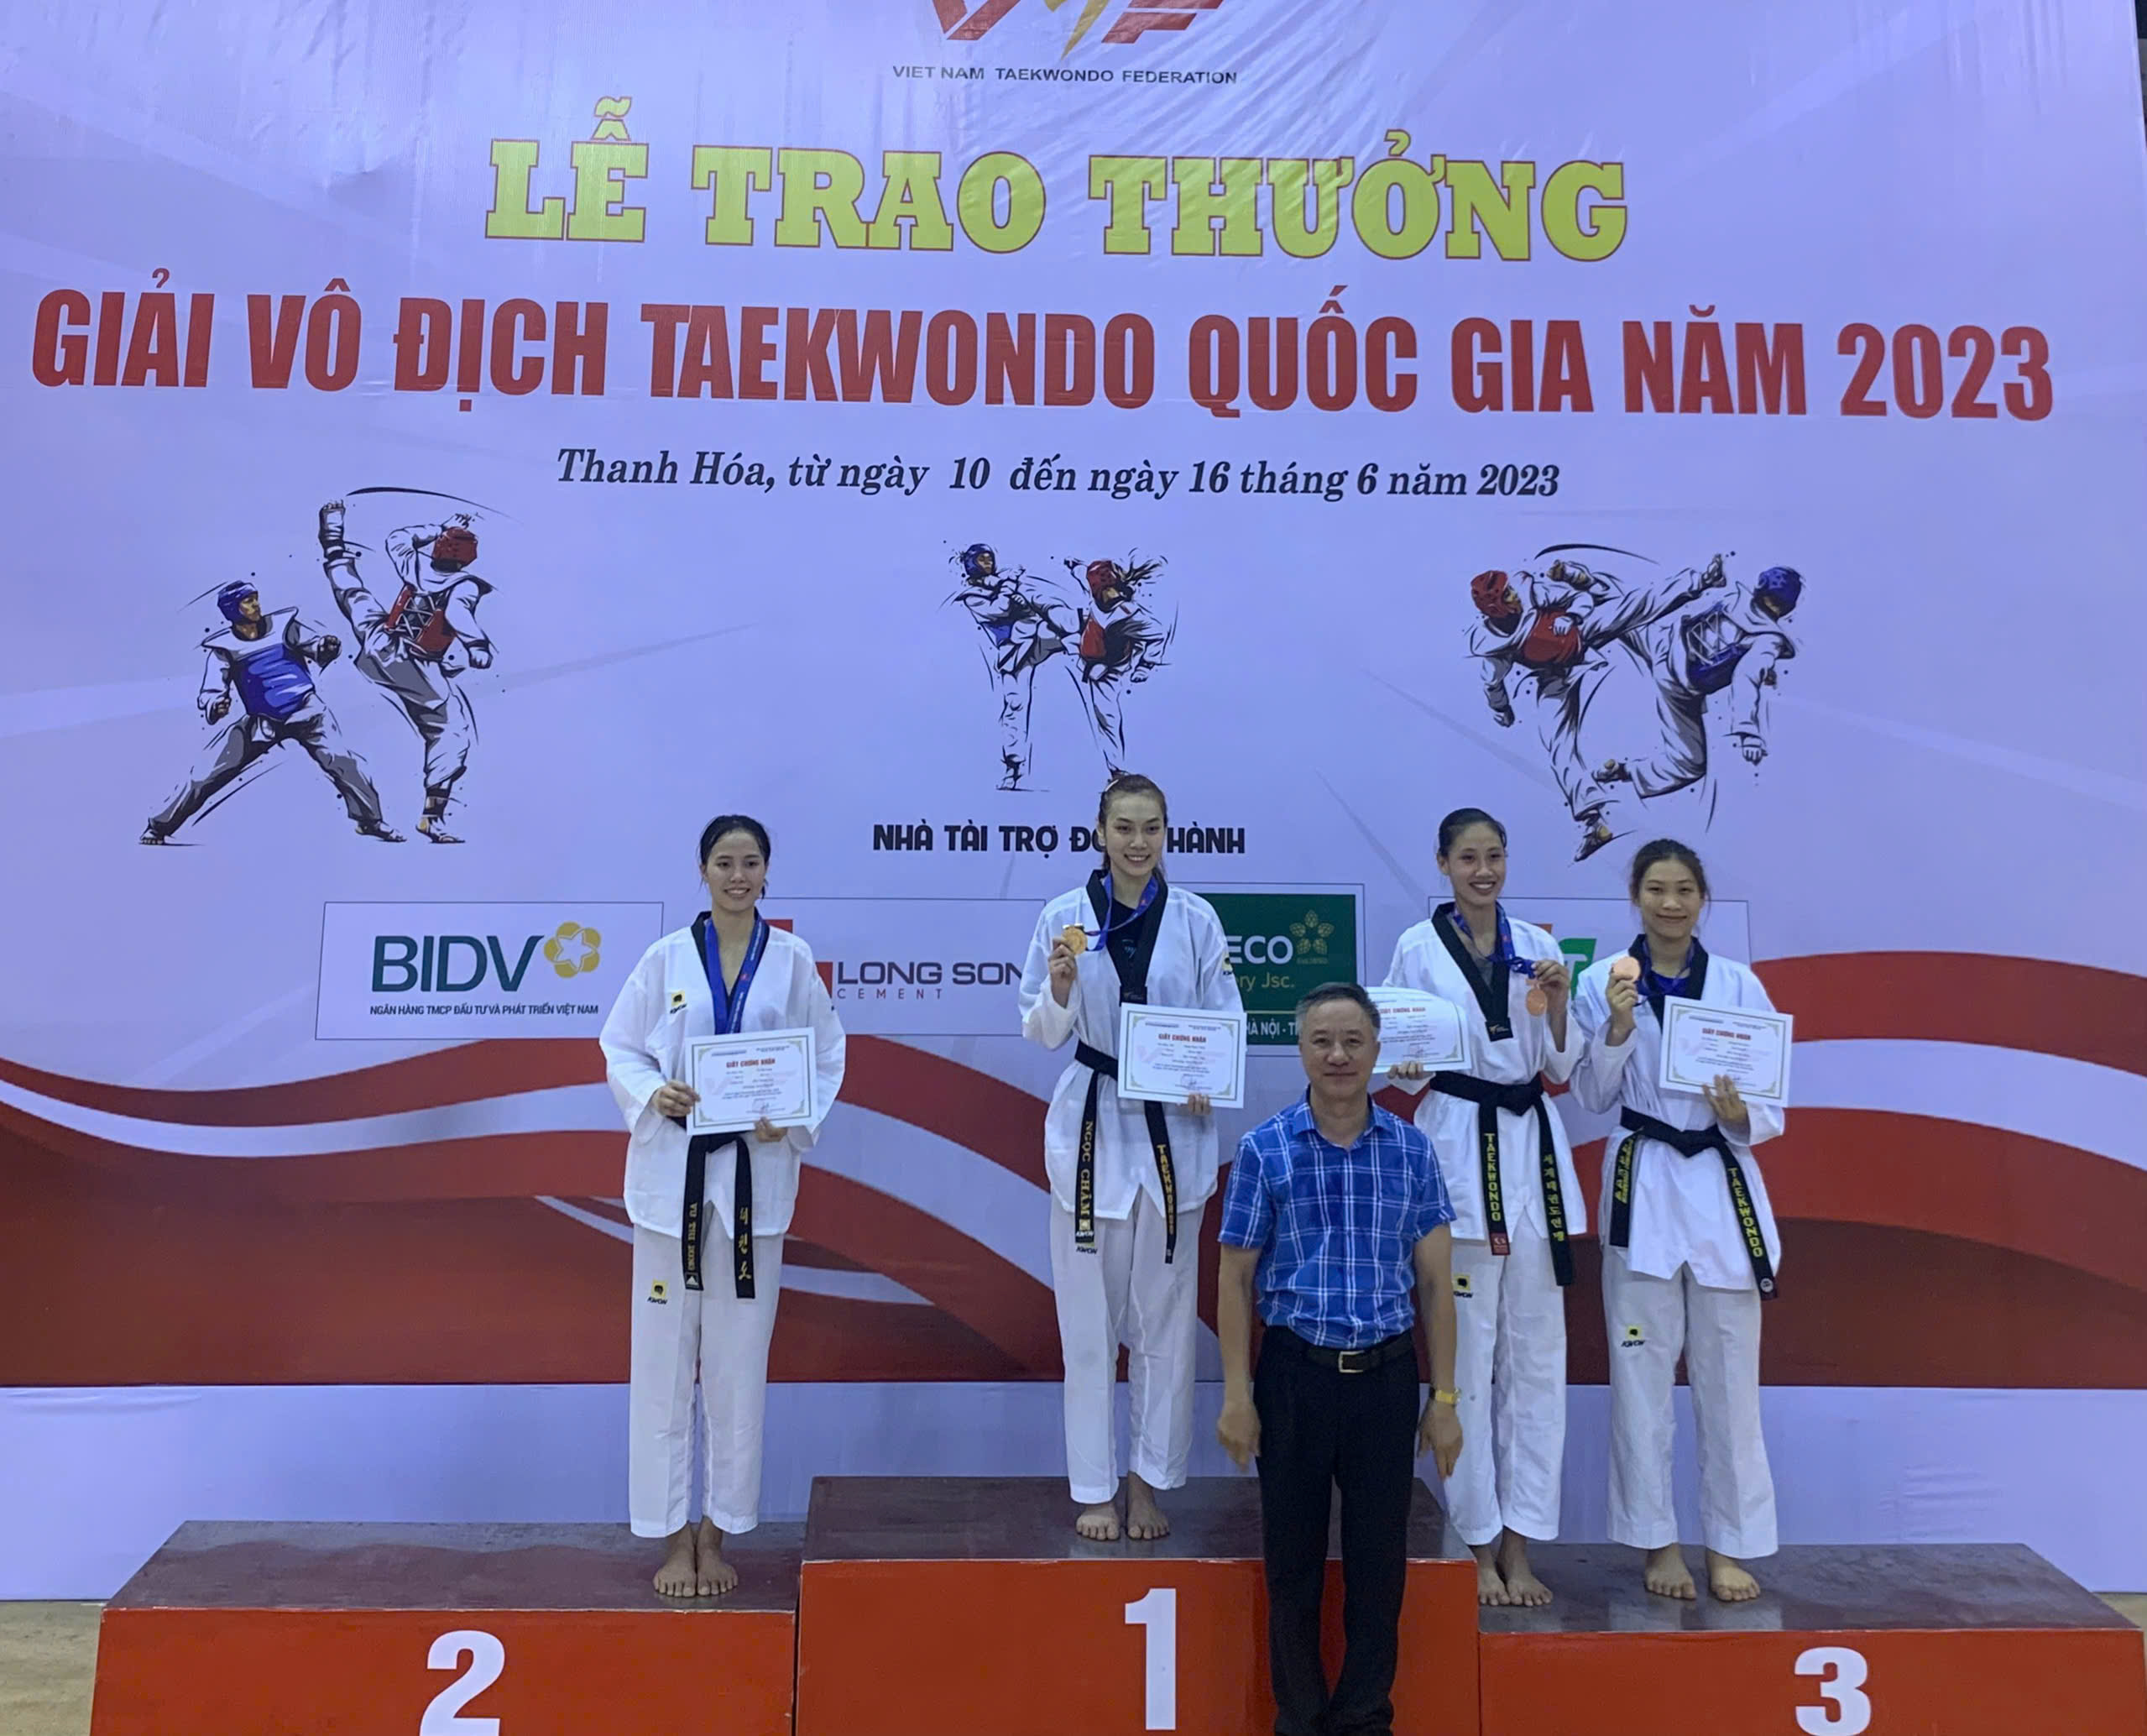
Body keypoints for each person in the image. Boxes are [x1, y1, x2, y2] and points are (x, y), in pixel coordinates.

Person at [599, 815, 846, 1597]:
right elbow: (619, 1046)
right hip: (671, 1181)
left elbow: (826, 1054)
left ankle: (718, 1529)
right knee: (662, 1365)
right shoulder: (666, 958)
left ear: (768, 871)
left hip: (753, 1179)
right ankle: (671, 1535)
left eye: (751, 863)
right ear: (701, 871)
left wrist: (791, 1113)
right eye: (724, 863)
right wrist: (653, 1091)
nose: (738, 876)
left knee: (738, 1366)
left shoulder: (793, 961)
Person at [1216, 982, 1461, 1736]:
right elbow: (1234, 1278)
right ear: (1300, 1051)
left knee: (1377, 1568)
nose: (1338, 1056)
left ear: (1378, 1050)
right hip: (1293, 1376)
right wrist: (1237, 1396)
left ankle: (1364, 1720)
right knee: (1291, 1567)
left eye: (1354, 1041)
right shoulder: (1264, 1149)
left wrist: (1444, 1401)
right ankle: (1298, 1719)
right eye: (1322, 1041)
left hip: (1385, 1379)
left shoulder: (1413, 1151)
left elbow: (1436, 1284)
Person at [1017, 771, 1241, 1540]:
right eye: (1124, 827)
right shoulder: (1065, 916)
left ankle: (1149, 1484)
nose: (1138, 842)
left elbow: (1225, 1019)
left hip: (1174, 1124)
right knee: (1087, 1323)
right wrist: (1058, 988)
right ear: (1100, 833)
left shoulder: (1197, 920)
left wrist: (1209, 1076)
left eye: (1151, 828)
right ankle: (1094, 1487)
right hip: (1092, 1119)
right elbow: (1040, 1028)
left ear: (1166, 834)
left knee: (1166, 1322)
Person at [1570, 838, 1784, 1602]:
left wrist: (1740, 1112)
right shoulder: (1602, 981)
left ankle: (1731, 1544)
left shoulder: (1737, 984)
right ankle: (1656, 1543)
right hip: (1646, 1179)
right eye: (1656, 889)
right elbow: (1590, 1095)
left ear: (1702, 899)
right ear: (1635, 896)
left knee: (1730, 1379)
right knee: (1641, 1374)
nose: (1670, 902)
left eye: (1684, 889)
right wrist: (1616, 1030)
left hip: (1721, 1181)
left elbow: (1770, 1105)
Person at [1382, 807, 1580, 1607]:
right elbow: (1396, 1058)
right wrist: (1406, 1056)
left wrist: (1560, 1005)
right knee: (1463, 1360)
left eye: (1495, 855)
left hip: (1532, 1148)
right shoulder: (1416, 947)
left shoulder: (1537, 946)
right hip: (1459, 1146)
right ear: (1443, 864)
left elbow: (1562, 1064)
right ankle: (1473, 1538)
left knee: (1538, 1362)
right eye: (1468, 857)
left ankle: (1520, 1540)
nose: (1484, 870)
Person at [1467, 553, 1725, 860]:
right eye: (1507, 595)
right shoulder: (1492, 644)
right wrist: (1502, 710)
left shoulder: (1531, 591)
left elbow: (1578, 597)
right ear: (1495, 608)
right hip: (1554, 675)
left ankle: (1702, 580)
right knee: (1556, 742)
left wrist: (1572, 617)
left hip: (1580, 633)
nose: (1514, 595)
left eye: (1510, 589)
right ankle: (1594, 823)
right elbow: (1492, 684)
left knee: (1631, 606)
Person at [142, 580, 400, 843]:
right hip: (261, 723)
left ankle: (370, 821)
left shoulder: (284, 627)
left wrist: (326, 648)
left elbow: (314, 646)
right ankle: (159, 827)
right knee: (207, 773)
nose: (256, 605)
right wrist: (216, 705)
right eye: (248, 601)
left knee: (344, 762)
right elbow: (212, 689)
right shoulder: (224, 648)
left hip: (308, 713)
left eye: (256, 598)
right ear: (232, 609)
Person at [317, 499, 495, 843]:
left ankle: (333, 542)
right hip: (414, 666)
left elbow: (397, 537)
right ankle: (432, 818)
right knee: (451, 730)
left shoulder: (416, 565)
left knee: (355, 596)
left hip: (380, 642)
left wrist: (439, 527)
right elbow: (458, 614)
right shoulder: (465, 585)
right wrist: (478, 646)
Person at [1596, 565, 1802, 800]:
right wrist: (1748, 733)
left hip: (1664, 642)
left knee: (1633, 613)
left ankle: (1590, 585)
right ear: (1788, 607)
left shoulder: (1735, 597)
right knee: (1690, 763)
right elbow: (1745, 678)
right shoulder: (1769, 639)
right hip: (1678, 684)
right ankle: (1624, 772)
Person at [946, 541, 1079, 790]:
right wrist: (1008, 588)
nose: (988, 563)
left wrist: (1017, 593)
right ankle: (1014, 765)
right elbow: (998, 609)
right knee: (1015, 704)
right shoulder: (972, 596)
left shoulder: (1006, 578)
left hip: (1037, 633)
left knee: (1071, 637)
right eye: (982, 559)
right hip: (1014, 651)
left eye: (990, 558)